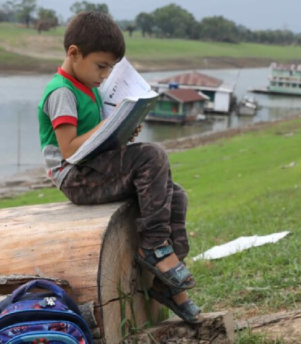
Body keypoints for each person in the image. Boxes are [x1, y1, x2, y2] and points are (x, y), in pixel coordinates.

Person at [37, 11, 200, 323]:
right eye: (101, 66)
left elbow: (96, 140)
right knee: (153, 156)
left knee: (175, 195)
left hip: (94, 168)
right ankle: (153, 247)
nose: (104, 74)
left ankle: (169, 285)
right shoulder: (61, 92)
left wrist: (123, 128)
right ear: (74, 53)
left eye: (110, 68)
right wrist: (111, 125)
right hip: (75, 177)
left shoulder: (90, 87)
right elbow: (70, 148)